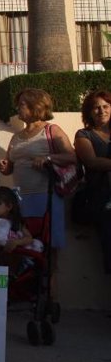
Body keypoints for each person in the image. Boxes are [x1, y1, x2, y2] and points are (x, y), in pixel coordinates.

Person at [0, 88, 76, 291]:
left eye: (22, 104)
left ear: (35, 106)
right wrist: (3, 166)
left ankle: (49, 299)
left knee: (48, 252)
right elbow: (10, 167)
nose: (18, 108)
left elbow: (72, 157)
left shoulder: (52, 131)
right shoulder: (16, 137)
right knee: (23, 247)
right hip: (22, 200)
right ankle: (27, 292)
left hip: (45, 197)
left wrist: (48, 159)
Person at [74, 90, 111, 273]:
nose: (101, 111)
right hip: (102, 198)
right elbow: (92, 162)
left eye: (106, 106)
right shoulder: (84, 135)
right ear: (89, 112)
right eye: (96, 107)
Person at [0, 186, 43, 271]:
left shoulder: (16, 222)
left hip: (14, 258)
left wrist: (16, 242)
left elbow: (29, 238)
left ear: (9, 206)